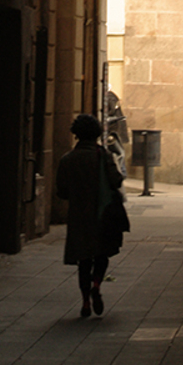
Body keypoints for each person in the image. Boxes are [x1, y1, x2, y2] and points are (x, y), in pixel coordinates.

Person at [56, 113, 125, 318]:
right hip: (102, 214)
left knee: (84, 260)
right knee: (102, 254)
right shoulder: (103, 156)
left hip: (79, 217)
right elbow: (117, 181)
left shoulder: (67, 160)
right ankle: (97, 284)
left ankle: (86, 301)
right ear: (96, 133)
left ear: (76, 134)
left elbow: (62, 191)